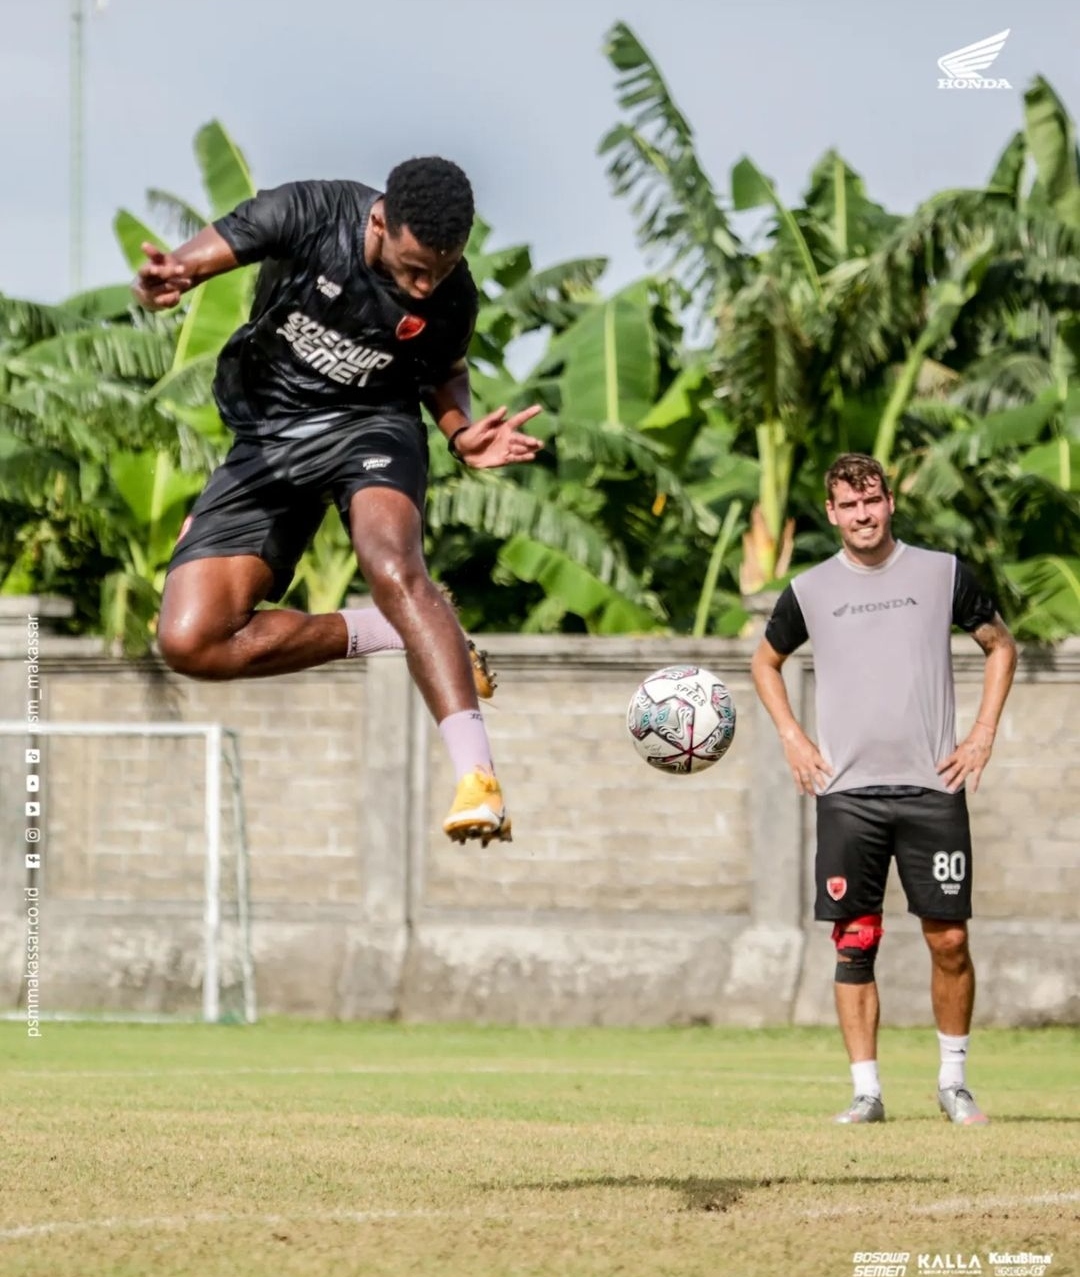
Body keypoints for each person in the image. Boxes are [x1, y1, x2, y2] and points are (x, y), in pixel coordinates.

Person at [132, 157, 542, 844]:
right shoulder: (314, 211)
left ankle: (480, 780)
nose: (425, 285)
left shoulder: (450, 293)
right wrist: (174, 274)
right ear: (379, 221)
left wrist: (462, 434)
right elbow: (209, 252)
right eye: (414, 269)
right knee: (190, 640)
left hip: (372, 427)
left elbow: (442, 374)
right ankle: (389, 628)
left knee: (392, 564)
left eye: (440, 271)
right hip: (269, 435)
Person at [751, 453, 1018, 1125]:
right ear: (832, 512)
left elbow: (1001, 645)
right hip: (847, 794)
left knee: (949, 939)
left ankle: (953, 1080)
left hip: (932, 787)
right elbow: (764, 661)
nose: (863, 514)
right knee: (855, 941)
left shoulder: (941, 572)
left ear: (889, 502)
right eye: (849, 504)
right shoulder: (810, 589)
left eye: (872, 500)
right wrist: (792, 735)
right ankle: (866, 1091)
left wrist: (982, 731)